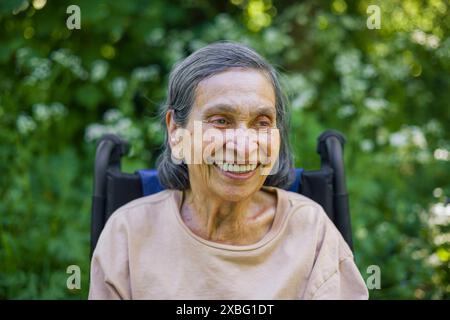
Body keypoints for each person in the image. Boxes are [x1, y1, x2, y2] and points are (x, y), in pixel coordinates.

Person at [89, 41, 369, 299]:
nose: (244, 147)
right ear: (176, 131)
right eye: (221, 120)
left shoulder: (310, 231)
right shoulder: (128, 233)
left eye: (262, 122)